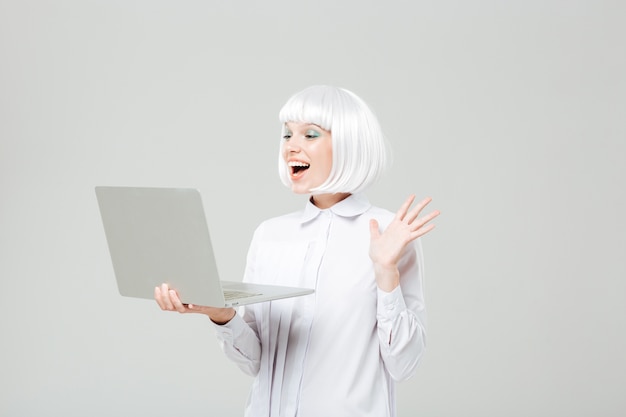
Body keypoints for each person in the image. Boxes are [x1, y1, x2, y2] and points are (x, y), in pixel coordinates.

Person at [154, 85, 439, 417]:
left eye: (310, 134)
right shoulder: (269, 235)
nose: (291, 146)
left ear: (349, 143)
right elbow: (254, 360)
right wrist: (220, 314)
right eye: (287, 134)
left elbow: (404, 364)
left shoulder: (391, 233)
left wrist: (386, 273)